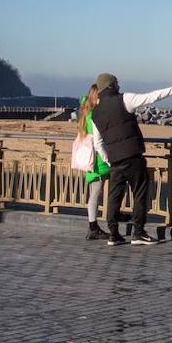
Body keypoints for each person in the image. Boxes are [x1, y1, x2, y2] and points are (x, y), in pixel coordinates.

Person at [91, 73, 172, 246]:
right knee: (140, 194)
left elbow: (98, 143)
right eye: (117, 83)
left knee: (114, 197)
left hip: (115, 161)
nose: (119, 85)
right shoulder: (124, 99)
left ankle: (113, 234)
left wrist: (108, 160)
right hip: (132, 156)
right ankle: (138, 233)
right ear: (111, 85)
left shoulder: (96, 113)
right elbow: (152, 97)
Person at [73, 85, 110, 241]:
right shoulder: (94, 114)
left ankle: (94, 225)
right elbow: (99, 138)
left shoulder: (85, 111)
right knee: (96, 192)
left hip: (91, 157)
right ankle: (93, 226)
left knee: (94, 191)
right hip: (98, 158)